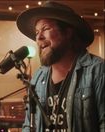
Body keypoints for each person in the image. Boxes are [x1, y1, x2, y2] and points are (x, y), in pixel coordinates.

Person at [16, 1, 104, 132]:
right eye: (36, 32)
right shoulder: (38, 77)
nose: (39, 37)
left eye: (46, 29)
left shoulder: (97, 70)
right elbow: (29, 125)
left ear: (68, 33)